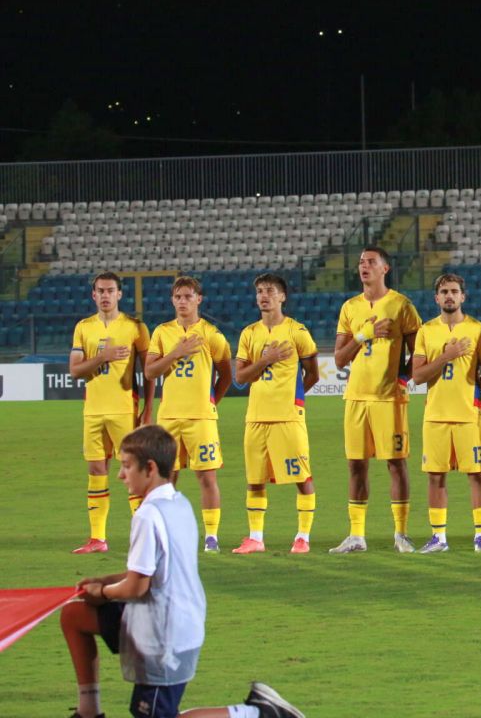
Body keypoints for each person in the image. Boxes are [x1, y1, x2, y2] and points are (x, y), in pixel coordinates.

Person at [60, 424, 304, 718]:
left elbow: (137, 587)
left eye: (126, 466)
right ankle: (88, 712)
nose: (120, 475)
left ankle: (258, 713)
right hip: (170, 617)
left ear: (149, 468)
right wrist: (105, 580)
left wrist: (104, 591)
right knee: (75, 615)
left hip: (165, 633)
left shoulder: (147, 515)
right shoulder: (178, 503)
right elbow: (154, 569)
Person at [328, 246, 422, 554]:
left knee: (396, 464)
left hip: (388, 399)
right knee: (356, 465)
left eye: (371, 262)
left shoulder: (401, 305)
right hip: (356, 397)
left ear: (385, 269)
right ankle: (356, 535)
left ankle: (401, 534)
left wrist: (401, 378)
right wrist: (363, 334)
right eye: (360, 263)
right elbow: (340, 359)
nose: (363, 267)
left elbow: (419, 352)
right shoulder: (350, 308)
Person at [230, 274, 320, 554]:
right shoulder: (249, 333)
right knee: (254, 479)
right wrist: (265, 360)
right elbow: (240, 378)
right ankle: (255, 537)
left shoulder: (297, 331)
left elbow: (313, 374)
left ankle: (302, 537)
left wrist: (293, 399)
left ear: (282, 296)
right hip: (256, 417)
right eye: (259, 291)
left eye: (269, 291)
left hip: (288, 417)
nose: (263, 296)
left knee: (301, 477)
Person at [410, 273, 481, 553]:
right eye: (444, 292)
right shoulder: (426, 331)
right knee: (435, 476)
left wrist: (467, 392)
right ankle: (439, 537)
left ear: (463, 296)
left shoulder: (478, 330)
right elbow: (418, 376)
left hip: (468, 416)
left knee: (477, 475)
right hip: (435, 416)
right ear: (436, 298)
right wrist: (447, 357)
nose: (449, 296)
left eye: (454, 291)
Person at [144, 276, 232, 553]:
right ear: (172, 300)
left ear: (198, 299)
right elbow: (149, 372)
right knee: (167, 479)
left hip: (201, 419)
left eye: (187, 296)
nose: (182, 302)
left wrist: (211, 401)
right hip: (169, 417)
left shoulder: (212, 334)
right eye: (178, 297)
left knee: (207, 477)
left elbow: (227, 374)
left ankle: (211, 537)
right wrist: (176, 353)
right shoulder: (161, 332)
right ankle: (167, 534)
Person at [69, 272, 154, 553]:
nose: (105, 296)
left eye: (110, 291)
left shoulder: (135, 327)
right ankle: (97, 538)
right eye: (100, 291)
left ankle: (143, 537)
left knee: (131, 471)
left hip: (123, 410)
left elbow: (149, 371)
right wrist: (103, 357)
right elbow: (75, 371)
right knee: (96, 470)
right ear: (93, 295)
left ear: (119, 294)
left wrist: (148, 408)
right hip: (93, 411)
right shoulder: (83, 327)